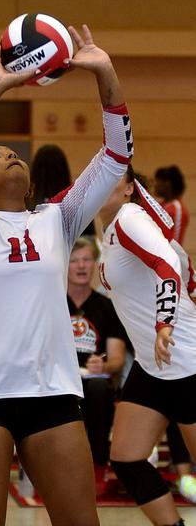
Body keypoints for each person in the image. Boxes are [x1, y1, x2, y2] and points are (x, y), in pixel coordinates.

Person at [0, 24, 133, 526]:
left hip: (54, 396)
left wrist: (104, 73)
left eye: (13, 151)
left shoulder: (57, 219)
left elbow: (115, 157)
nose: (10, 154)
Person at [98, 164, 196, 526]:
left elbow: (168, 262)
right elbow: (186, 270)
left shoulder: (130, 217)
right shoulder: (108, 233)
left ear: (128, 189)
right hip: (152, 365)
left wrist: (165, 323)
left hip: (184, 358)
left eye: (112, 178)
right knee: (126, 458)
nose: (101, 184)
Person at [67, 237, 130, 495]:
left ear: (95, 264)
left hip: (94, 380)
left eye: (86, 259)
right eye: (74, 261)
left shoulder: (107, 307)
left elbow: (116, 359)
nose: (81, 266)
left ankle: (98, 465)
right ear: (64, 265)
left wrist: (103, 365)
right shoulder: (51, 304)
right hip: (61, 380)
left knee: (98, 389)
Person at [28, 143, 96, 237]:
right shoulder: (77, 201)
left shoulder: (25, 203)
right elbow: (89, 239)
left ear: (35, 170)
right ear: (64, 170)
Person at [154, 165, 189, 245]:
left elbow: (176, 242)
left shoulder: (176, 209)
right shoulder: (159, 205)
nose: (155, 185)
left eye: (158, 181)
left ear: (167, 183)